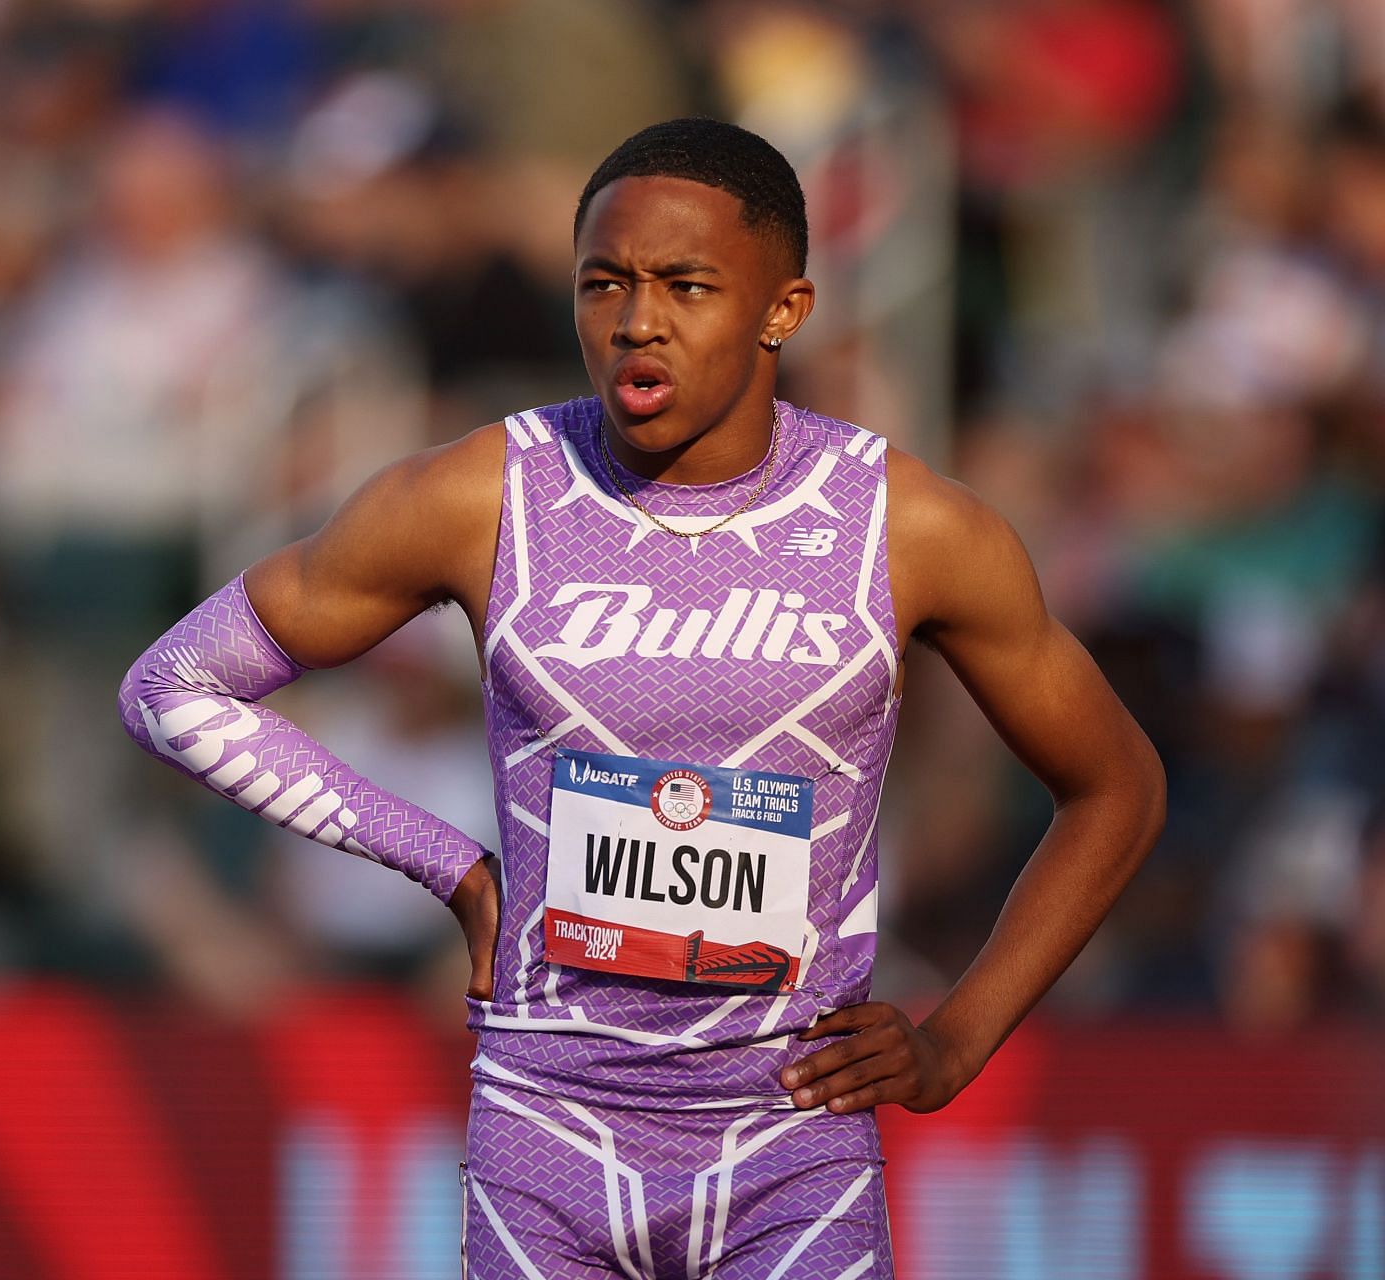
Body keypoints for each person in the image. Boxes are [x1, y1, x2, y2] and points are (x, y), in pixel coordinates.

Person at [120, 118, 1165, 1280]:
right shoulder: (483, 495)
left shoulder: (910, 527)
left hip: (792, 1141)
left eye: (687, 284)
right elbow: (174, 684)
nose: (636, 320)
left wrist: (957, 1040)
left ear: (785, 308)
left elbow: (1116, 787)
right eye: (604, 282)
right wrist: (451, 868)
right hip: (547, 1132)